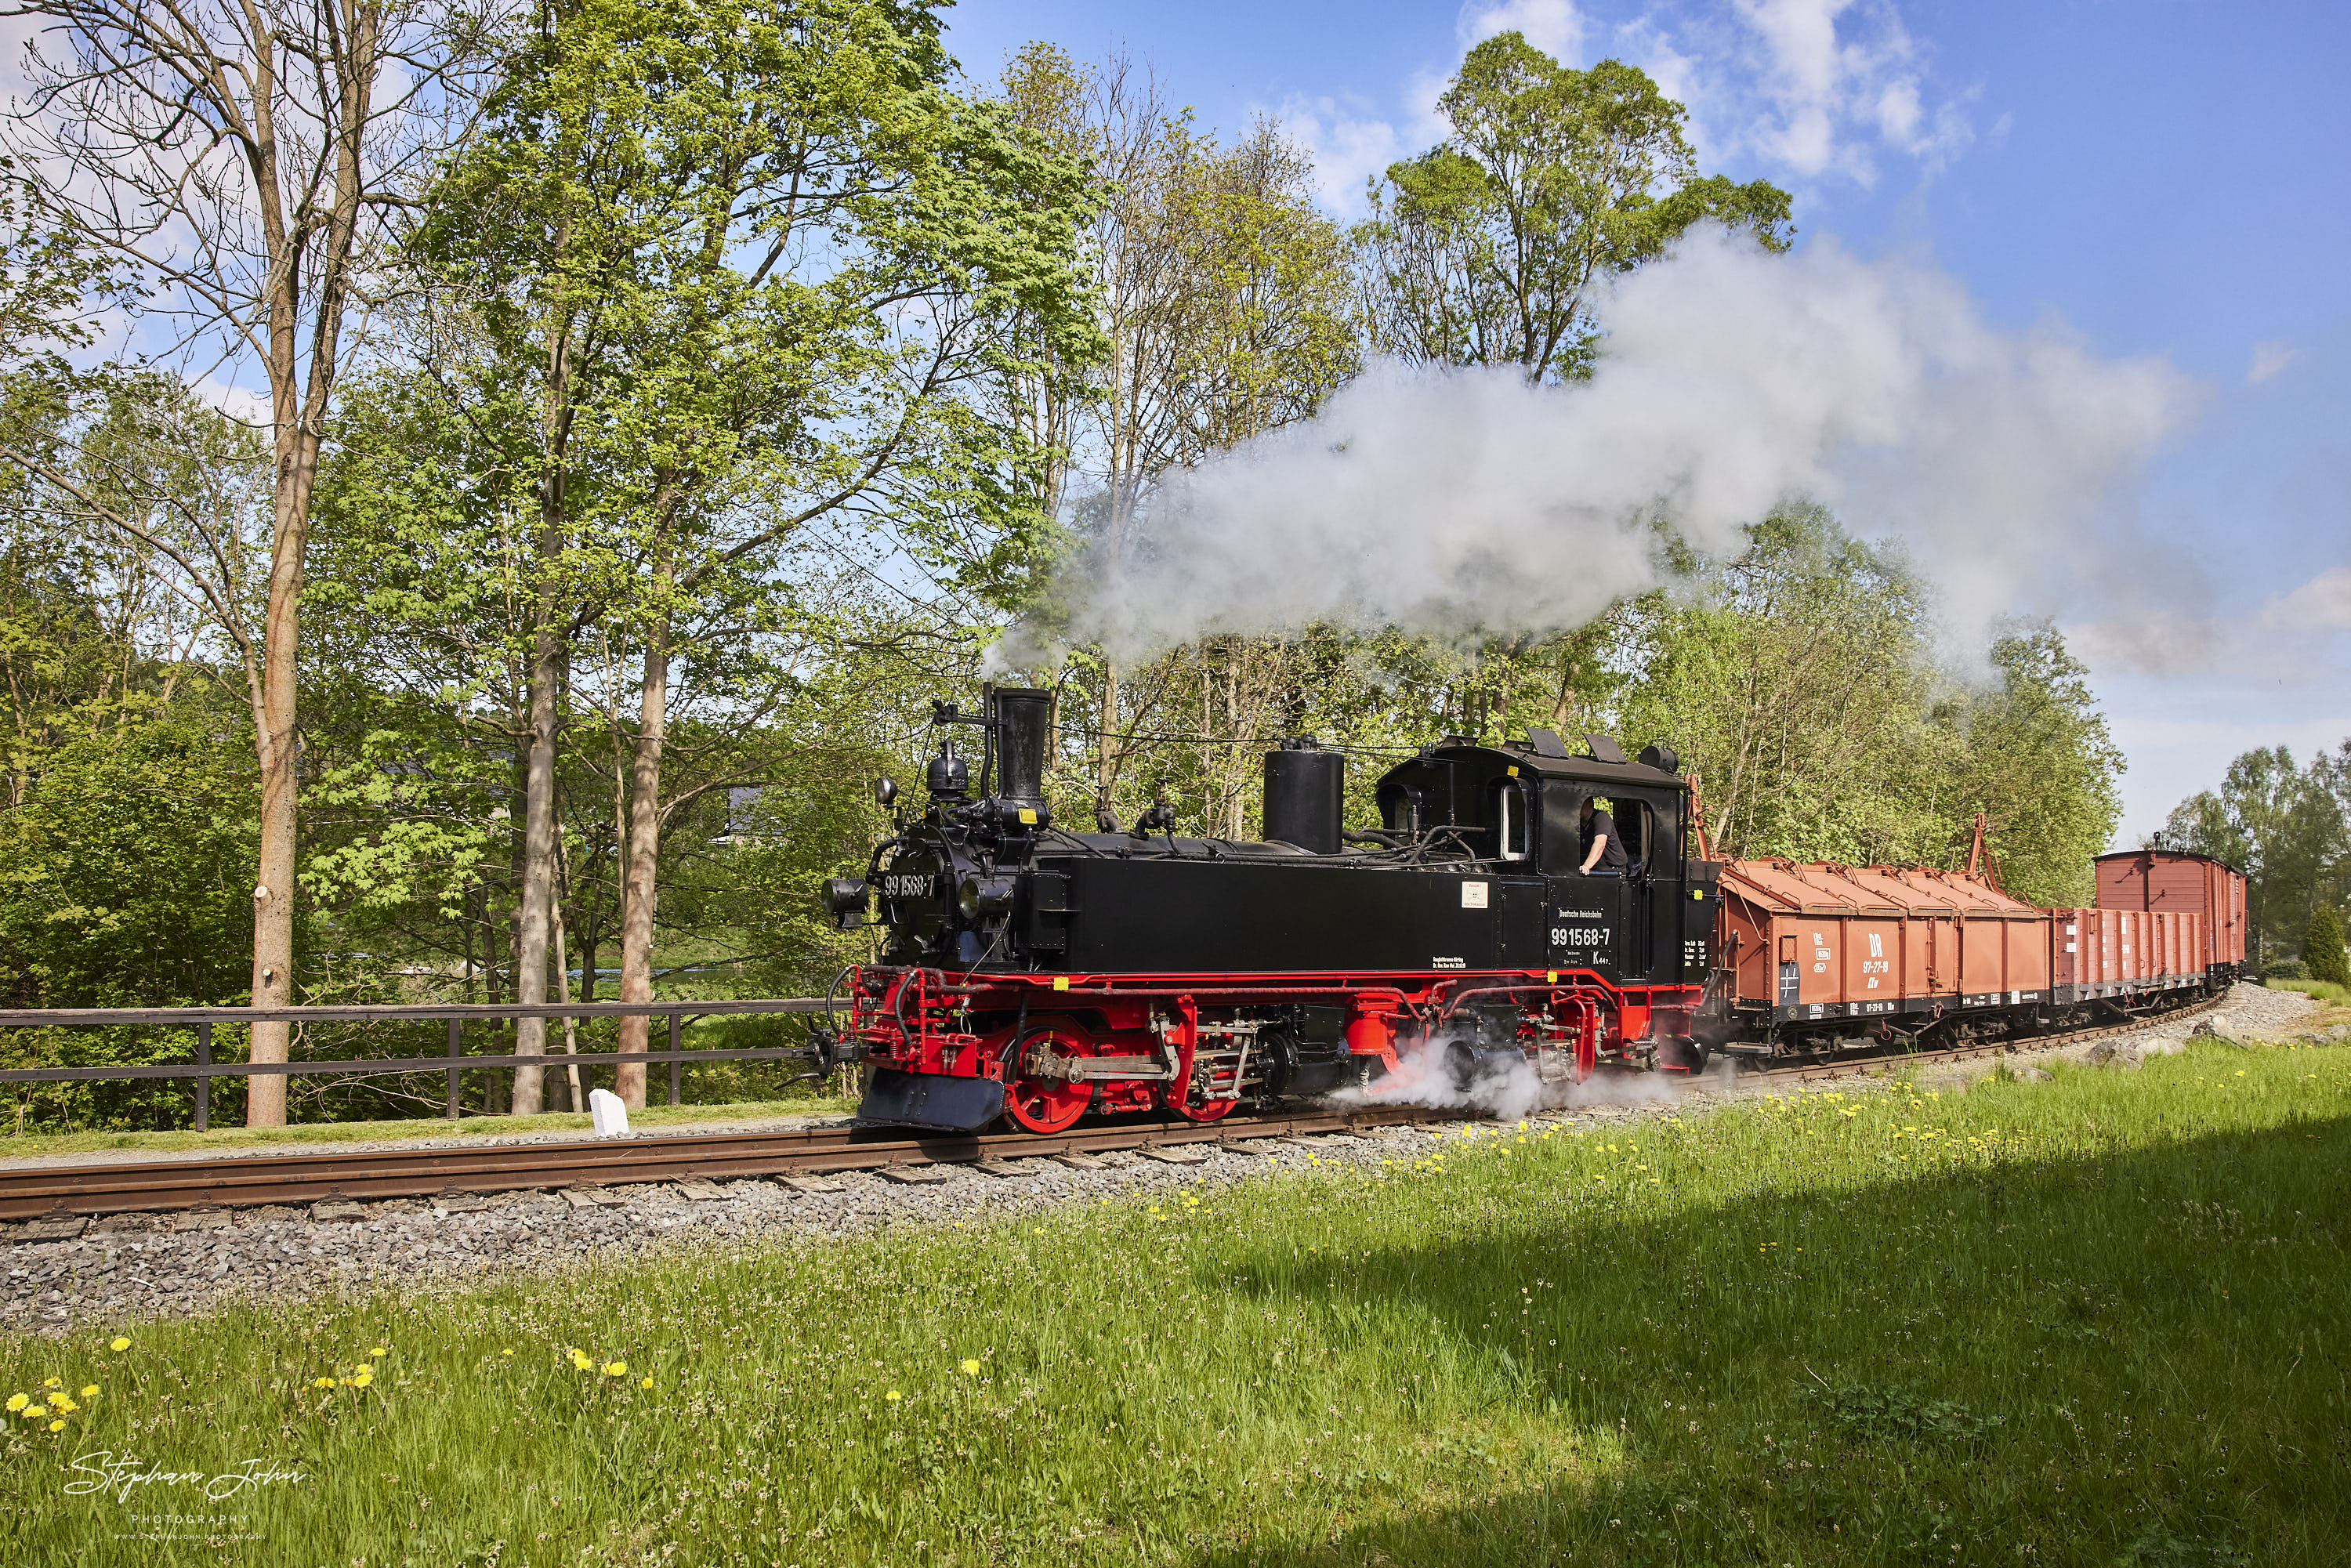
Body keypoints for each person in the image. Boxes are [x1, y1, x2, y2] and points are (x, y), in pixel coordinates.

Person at [1578, 794, 1628, 875]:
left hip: (1612, 870)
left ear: (1590, 804)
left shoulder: (1601, 817)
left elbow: (1600, 844)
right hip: (1595, 869)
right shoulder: (1579, 823)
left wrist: (1586, 866)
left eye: (1580, 804)